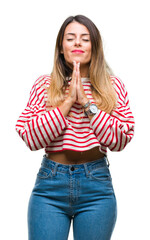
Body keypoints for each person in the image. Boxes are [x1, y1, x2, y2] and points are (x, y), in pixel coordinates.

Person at [15, 15, 135, 240]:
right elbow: (31, 137)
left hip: (96, 188)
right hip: (50, 188)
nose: (78, 43)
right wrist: (68, 102)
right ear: (61, 47)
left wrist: (87, 104)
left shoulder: (113, 87)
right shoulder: (44, 85)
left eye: (85, 39)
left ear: (94, 47)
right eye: (71, 38)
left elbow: (121, 139)